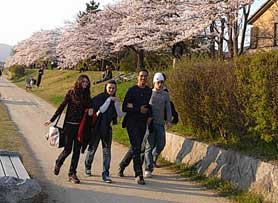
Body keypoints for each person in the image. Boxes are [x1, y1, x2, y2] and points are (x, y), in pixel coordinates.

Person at [44, 74, 91, 184]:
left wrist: (90, 110)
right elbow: (62, 106)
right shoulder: (71, 93)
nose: (85, 84)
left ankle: (72, 173)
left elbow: (90, 106)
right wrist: (51, 120)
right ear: (79, 82)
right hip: (69, 126)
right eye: (83, 81)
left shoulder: (87, 95)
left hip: (80, 128)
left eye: (87, 82)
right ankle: (59, 162)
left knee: (76, 151)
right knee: (68, 149)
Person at [84, 80, 123, 183]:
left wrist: (117, 103)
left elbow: (119, 114)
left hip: (107, 130)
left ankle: (105, 174)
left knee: (107, 152)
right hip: (96, 129)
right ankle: (87, 166)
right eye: (109, 88)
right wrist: (109, 100)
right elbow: (101, 110)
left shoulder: (114, 100)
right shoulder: (100, 97)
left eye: (113, 88)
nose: (111, 90)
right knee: (92, 150)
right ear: (106, 87)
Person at [119, 69, 152, 185]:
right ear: (137, 77)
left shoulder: (149, 91)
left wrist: (149, 116)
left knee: (135, 147)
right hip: (131, 123)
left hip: (142, 123)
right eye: (141, 76)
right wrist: (138, 109)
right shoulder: (132, 90)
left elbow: (149, 106)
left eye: (145, 76)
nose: (143, 78)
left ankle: (122, 165)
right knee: (137, 148)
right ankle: (138, 174)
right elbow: (124, 107)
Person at [144, 72, 172, 178]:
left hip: (160, 123)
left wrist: (169, 120)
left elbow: (168, 108)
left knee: (161, 144)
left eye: (162, 82)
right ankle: (148, 168)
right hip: (150, 123)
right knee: (149, 146)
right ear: (154, 83)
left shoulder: (165, 94)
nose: (160, 84)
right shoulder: (149, 93)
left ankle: (153, 157)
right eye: (158, 82)